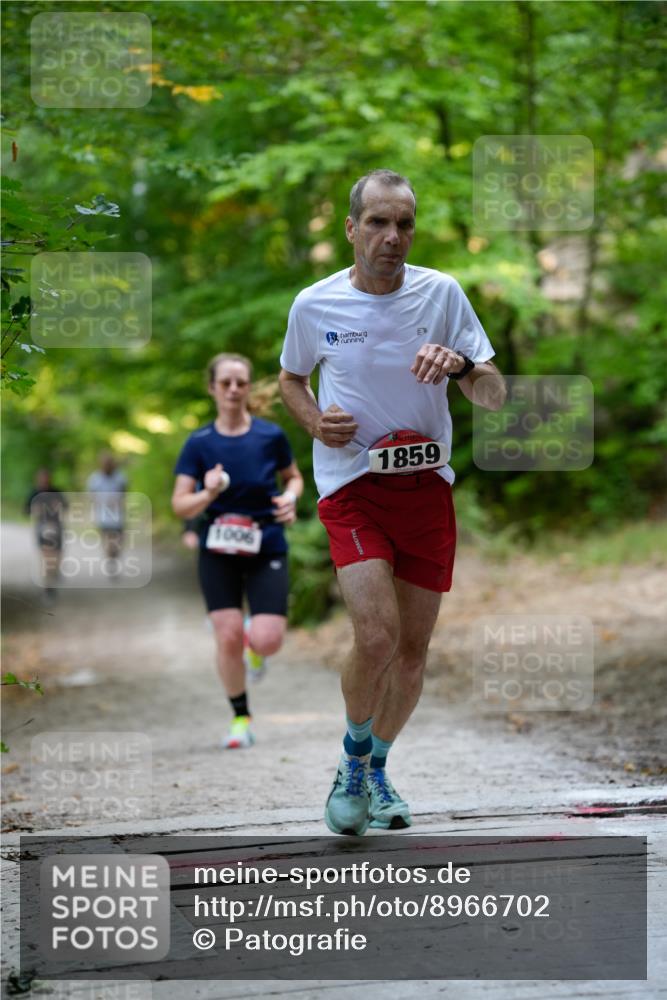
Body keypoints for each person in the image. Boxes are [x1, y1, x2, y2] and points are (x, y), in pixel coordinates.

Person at [279, 168, 506, 835]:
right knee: (375, 636)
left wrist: (462, 366)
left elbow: (493, 394)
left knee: (411, 651)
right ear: (351, 228)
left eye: (403, 223)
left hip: (426, 489)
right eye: (377, 222)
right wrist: (316, 421)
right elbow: (291, 379)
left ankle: (377, 769)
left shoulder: (442, 294)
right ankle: (352, 762)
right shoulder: (315, 304)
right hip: (353, 487)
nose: (392, 236)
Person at [172, 353, 303, 749]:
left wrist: (290, 499)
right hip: (217, 548)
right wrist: (208, 493)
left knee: (268, 640)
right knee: (226, 635)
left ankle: (256, 646)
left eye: (240, 382)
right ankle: (240, 718)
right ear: (212, 388)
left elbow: (293, 478)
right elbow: (180, 505)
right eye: (225, 382)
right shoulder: (199, 443)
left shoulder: (270, 436)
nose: (233, 389)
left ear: (248, 388)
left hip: (266, 543)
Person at [25, 468, 68, 602]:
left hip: (56, 528)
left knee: (56, 556)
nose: (44, 481)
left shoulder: (56, 492)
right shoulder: (34, 493)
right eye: (41, 478)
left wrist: (58, 507)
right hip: (42, 529)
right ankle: (48, 589)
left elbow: (66, 506)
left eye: (46, 478)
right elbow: (26, 510)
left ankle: (53, 576)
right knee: (47, 558)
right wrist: (35, 510)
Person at [86, 451, 128, 577]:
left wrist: (118, 501)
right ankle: (110, 561)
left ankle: (113, 558)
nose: (107, 466)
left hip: (118, 516)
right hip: (103, 517)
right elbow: (91, 496)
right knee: (109, 541)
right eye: (105, 463)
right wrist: (100, 502)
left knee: (118, 542)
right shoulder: (94, 479)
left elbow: (125, 493)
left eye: (109, 463)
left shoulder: (120, 477)